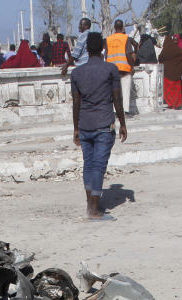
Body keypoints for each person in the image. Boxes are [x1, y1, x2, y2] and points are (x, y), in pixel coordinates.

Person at [71, 32, 127, 222]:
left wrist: (76, 129)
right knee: (98, 167)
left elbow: (76, 103)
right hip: (104, 123)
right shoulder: (111, 70)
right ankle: (94, 210)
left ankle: (91, 204)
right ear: (103, 48)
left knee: (88, 164)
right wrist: (123, 123)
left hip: (85, 124)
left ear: (86, 49)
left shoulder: (77, 73)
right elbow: (117, 99)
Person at [106, 20, 137, 115]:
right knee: (126, 90)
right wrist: (132, 66)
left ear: (114, 27)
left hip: (112, 69)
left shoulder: (108, 39)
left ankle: (116, 112)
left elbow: (106, 54)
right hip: (124, 68)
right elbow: (128, 53)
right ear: (122, 27)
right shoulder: (125, 38)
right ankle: (126, 111)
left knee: (115, 92)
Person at [158, 35, 182, 110]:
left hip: (167, 73)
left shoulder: (165, 50)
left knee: (168, 90)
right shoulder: (177, 49)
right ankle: (178, 104)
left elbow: (160, 58)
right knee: (177, 89)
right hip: (176, 73)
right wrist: (179, 65)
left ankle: (171, 103)